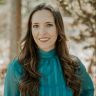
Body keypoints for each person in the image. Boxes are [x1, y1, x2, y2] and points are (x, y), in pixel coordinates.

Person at [4, 3, 94, 96]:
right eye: (36, 26)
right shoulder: (17, 67)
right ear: (31, 31)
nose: (42, 32)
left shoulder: (74, 65)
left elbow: (88, 91)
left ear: (58, 28)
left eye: (49, 25)